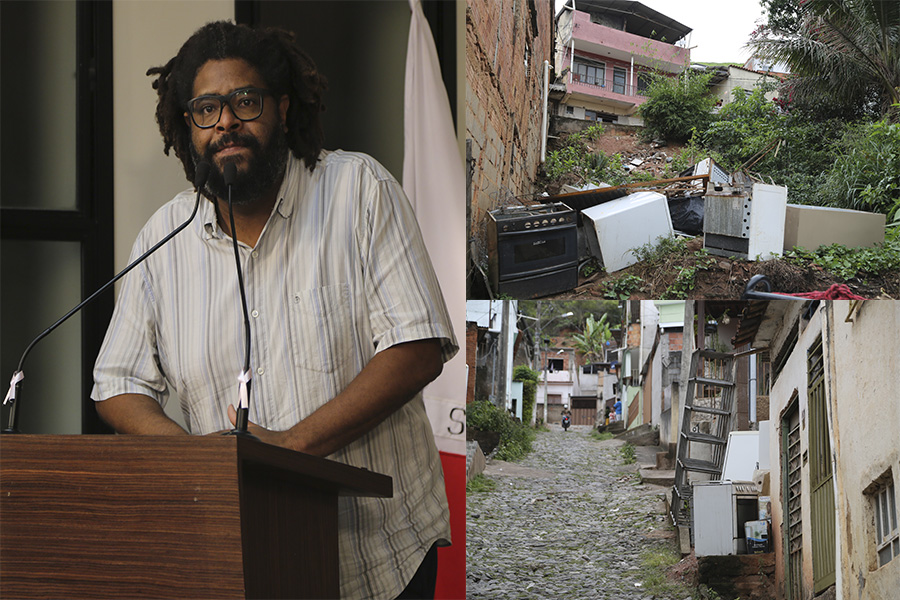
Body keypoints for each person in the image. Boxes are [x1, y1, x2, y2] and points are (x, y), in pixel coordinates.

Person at [91, 21, 457, 600]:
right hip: (242, 559)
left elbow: (417, 349)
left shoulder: (359, 190)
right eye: (206, 109)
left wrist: (289, 448)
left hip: (381, 553)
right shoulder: (163, 238)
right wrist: (198, 463)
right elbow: (117, 384)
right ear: (188, 125)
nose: (226, 123)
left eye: (245, 101)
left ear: (282, 109)